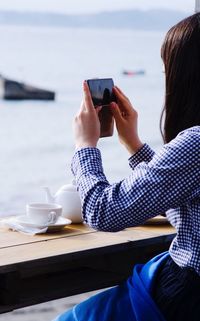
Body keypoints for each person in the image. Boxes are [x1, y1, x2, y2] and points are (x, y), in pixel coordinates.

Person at [53, 13, 200, 321]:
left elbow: (103, 212)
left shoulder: (196, 142)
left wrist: (85, 145)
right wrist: (133, 144)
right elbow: (188, 209)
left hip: (186, 296)